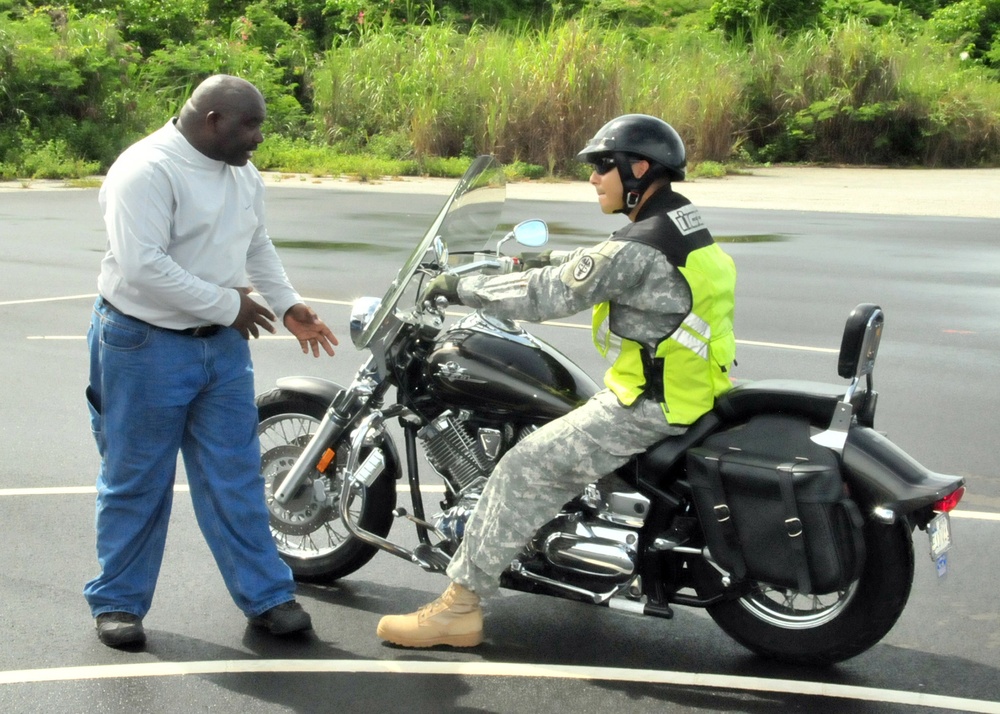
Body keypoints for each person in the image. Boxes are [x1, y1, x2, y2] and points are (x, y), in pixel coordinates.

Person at [376, 114, 737, 648]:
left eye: (602, 167)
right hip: (691, 391)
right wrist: (542, 258)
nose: (593, 179)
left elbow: (549, 295)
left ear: (638, 168)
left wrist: (459, 288)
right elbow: (599, 263)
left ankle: (459, 609)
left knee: (522, 466)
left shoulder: (641, 245)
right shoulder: (678, 224)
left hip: (647, 405)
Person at [85, 74, 339, 648]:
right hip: (143, 344)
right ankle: (118, 603)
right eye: (250, 126)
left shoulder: (241, 172)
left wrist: (287, 303)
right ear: (212, 122)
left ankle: (267, 596)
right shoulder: (145, 170)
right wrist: (229, 305)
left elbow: (256, 244)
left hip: (221, 347)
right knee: (134, 480)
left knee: (235, 474)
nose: (259, 139)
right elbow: (142, 264)